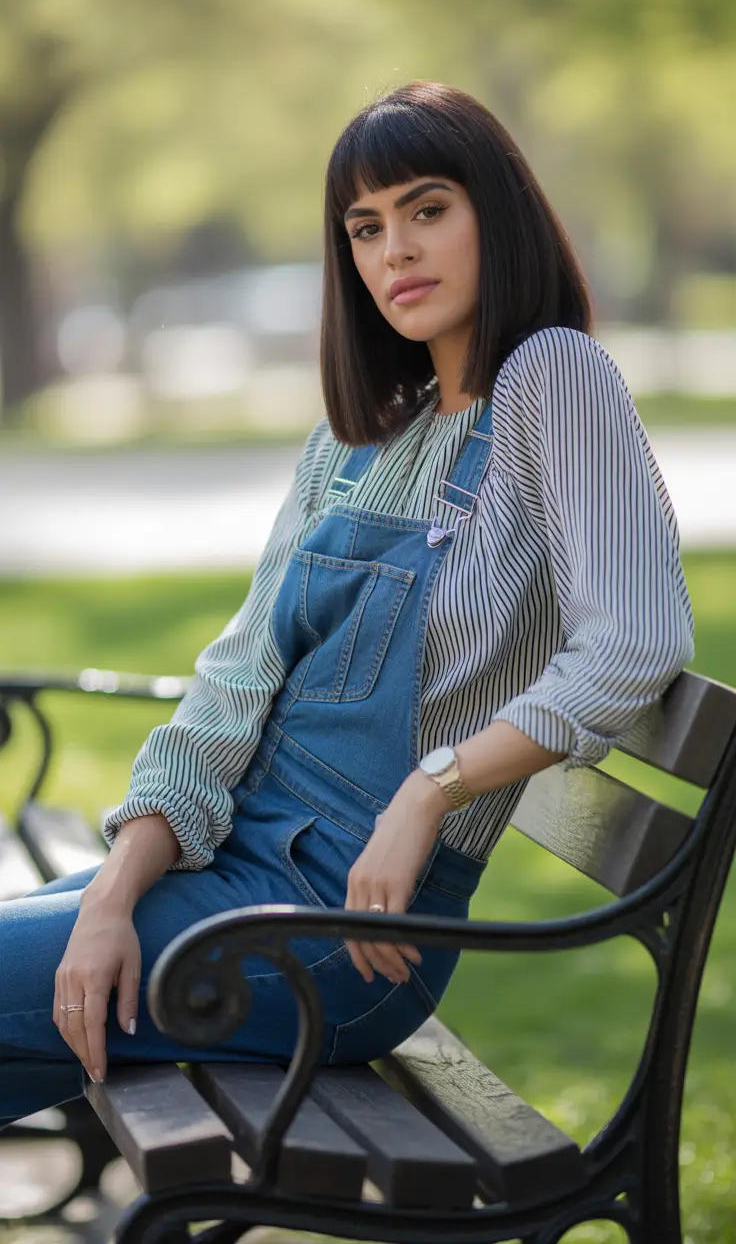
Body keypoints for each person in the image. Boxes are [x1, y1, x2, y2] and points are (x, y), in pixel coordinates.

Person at [0, 81, 694, 1126]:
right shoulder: (355, 442)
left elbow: (636, 641)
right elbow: (230, 690)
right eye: (364, 228)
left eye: (426, 209)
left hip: (347, 934)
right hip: (230, 869)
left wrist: (429, 790)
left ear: (494, 215)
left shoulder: (554, 378)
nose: (393, 252)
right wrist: (111, 892)